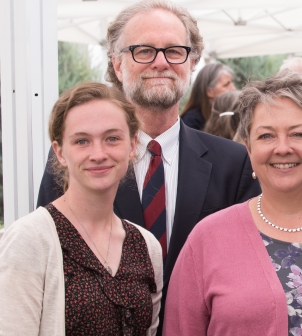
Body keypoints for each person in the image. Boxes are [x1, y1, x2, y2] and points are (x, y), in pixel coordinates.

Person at [36, 1, 261, 333]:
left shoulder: (233, 163)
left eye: (174, 51)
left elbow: (249, 271)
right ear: (116, 63)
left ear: (193, 62)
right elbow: (47, 260)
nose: (160, 62)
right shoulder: (81, 162)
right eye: (143, 50)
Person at [164, 71, 302, 335]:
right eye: (266, 136)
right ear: (248, 148)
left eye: (298, 134)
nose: (282, 148)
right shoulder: (207, 239)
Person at [0, 83, 163, 335]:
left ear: (132, 146)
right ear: (60, 152)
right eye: (82, 141)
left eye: (112, 138)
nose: (98, 154)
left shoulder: (146, 246)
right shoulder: (29, 240)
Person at [181, 63, 236, 130]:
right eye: (226, 85)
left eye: (232, 83)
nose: (233, 88)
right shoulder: (192, 120)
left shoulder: (228, 114)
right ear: (210, 91)